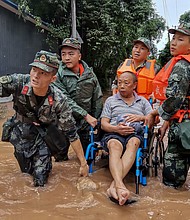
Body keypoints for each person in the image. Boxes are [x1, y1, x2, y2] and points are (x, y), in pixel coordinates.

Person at [0, 50, 89, 187]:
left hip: (44, 136)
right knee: (26, 173)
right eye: (34, 70)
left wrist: (83, 163)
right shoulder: (18, 82)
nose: (35, 76)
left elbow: (71, 133)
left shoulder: (59, 100)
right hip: (21, 133)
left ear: (52, 79)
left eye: (43, 73)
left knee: (40, 180)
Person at [146, 22, 190, 188]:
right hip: (183, 123)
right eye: (173, 38)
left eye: (180, 39)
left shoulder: (181, 66)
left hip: (184, 130)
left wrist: (154, 113)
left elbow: (174, 101)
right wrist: (166, 123)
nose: (173, 42)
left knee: (172, 184)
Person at [100, 71, 152, 205]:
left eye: (126, 83)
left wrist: (141, 117)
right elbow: (104, 124)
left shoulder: (143, 101)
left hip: (134, 134)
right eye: (119, 82)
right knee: (114, 145)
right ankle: (120, 186)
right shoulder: (111, 101)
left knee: (134, 142)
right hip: (114, 132)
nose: (121, 86)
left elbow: (153, 121)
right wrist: (116, 129)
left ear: (134, 85)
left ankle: (114, 186)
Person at [53, 37, 103, 157]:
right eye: (63, 54)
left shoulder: (89, 74)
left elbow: (97, 99)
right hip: (63, 120)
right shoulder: (57, 73)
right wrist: (86, 115)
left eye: (71, 54)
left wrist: (96, 121)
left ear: (79, 56)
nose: (67, 58)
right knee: (60, 157)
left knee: (89, 157)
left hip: (85, 123)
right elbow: (64, 100)